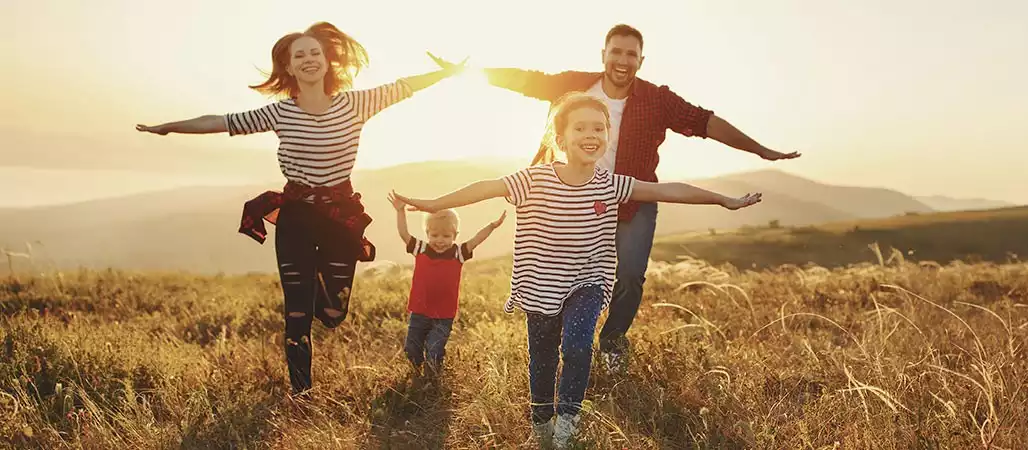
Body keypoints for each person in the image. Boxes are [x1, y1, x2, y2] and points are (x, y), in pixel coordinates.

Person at [390, 92, 762, 448]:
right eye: (581, 128)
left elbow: (668, 190)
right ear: (561, 138)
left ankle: (568, 420)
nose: (591, 135)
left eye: (599, 128)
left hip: (588, 282)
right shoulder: (533, 180)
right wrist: (431, 204)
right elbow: (484, 188)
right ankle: (542, 422)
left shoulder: (611, 185)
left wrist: (722, 200)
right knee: (543, 358)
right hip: (539, 286)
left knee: (578, 344)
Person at [428, 23, 800, 374]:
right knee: (563, 273)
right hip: (568, 196)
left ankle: (612, 341)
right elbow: (524, 80)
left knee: (631, 275)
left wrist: (760, 151)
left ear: (641, 60)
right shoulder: (575, 86)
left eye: (631, 55)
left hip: (631, 198)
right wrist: (464, 72)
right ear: (603, 54)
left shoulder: (657, 99)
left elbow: (705, 122)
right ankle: (562, 341)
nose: (623, 61)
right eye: (616, 52)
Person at [134, 21, 462, 394]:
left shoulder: (356, 103)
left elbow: (404, 87)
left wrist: (447, 72)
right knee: (297, 312)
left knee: (333, 314)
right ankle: (301, 392)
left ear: (327, 61)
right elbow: (220, 122)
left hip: (340, 217)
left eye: (314, 53)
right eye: (299, 55)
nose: (308, 60)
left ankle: (319, 296)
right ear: (289, 67)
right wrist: (168, 127)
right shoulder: (279, 113)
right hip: (297, 217)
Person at [387, 194, 505, 378]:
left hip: (444, 315)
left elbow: (476, 239)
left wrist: (491, 226)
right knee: (412, 349)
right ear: (427, 234)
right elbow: (404, 233)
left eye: (446, 236)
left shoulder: (458, 253)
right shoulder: (421, 249)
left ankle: (432, 378)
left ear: (455, 236)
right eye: (434, 235)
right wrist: (400, 210)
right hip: (419, 311)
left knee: (434, 350)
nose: (440, 240)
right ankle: (417, 373)